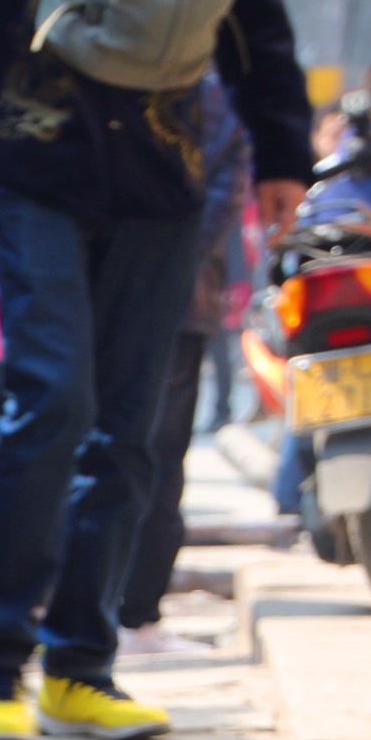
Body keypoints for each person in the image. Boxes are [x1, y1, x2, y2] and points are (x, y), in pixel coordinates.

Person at [0, 0, 312, 740]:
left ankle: (79, 667)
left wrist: (283, 151)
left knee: (133, 427)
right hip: (32, 160)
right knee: (53, 399)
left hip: (161, 178)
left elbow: (256, 25)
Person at [119, 72, 250, 656]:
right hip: (156, 293)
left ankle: (132, 613)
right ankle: (123, 614)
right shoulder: (207, 87)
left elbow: (226, 182)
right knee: (140, 454)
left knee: (151, 454)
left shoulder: (203, 86)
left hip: (161, 296)